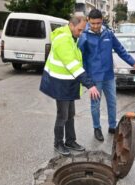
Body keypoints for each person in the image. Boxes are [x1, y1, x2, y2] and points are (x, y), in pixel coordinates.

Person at [40, 16, 100, 156]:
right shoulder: (63, 40)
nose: (81, 33)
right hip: (60, 84)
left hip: (69, 83)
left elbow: (77, 61)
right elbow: (72, 65)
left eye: (83, 30)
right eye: (79, 29)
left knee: (70, 114)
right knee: (63, 115)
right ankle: (58, 143)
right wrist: (90, 85)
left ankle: (70, 141)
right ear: (71, 25)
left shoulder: (72, 37)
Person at [78, 9, 135, 141]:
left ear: (102, 21)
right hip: (94, 77)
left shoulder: (108, 34)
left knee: (112, 102)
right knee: (95, 105)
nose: (95, 26)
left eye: (98, 23)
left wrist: (131, 61)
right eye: (93, 23)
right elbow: (79, 58)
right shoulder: (84, 37)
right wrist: (85, 79)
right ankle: (97, 128)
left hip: (108, 76)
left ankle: (112, 126)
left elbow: (119, 48)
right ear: (88, 20)